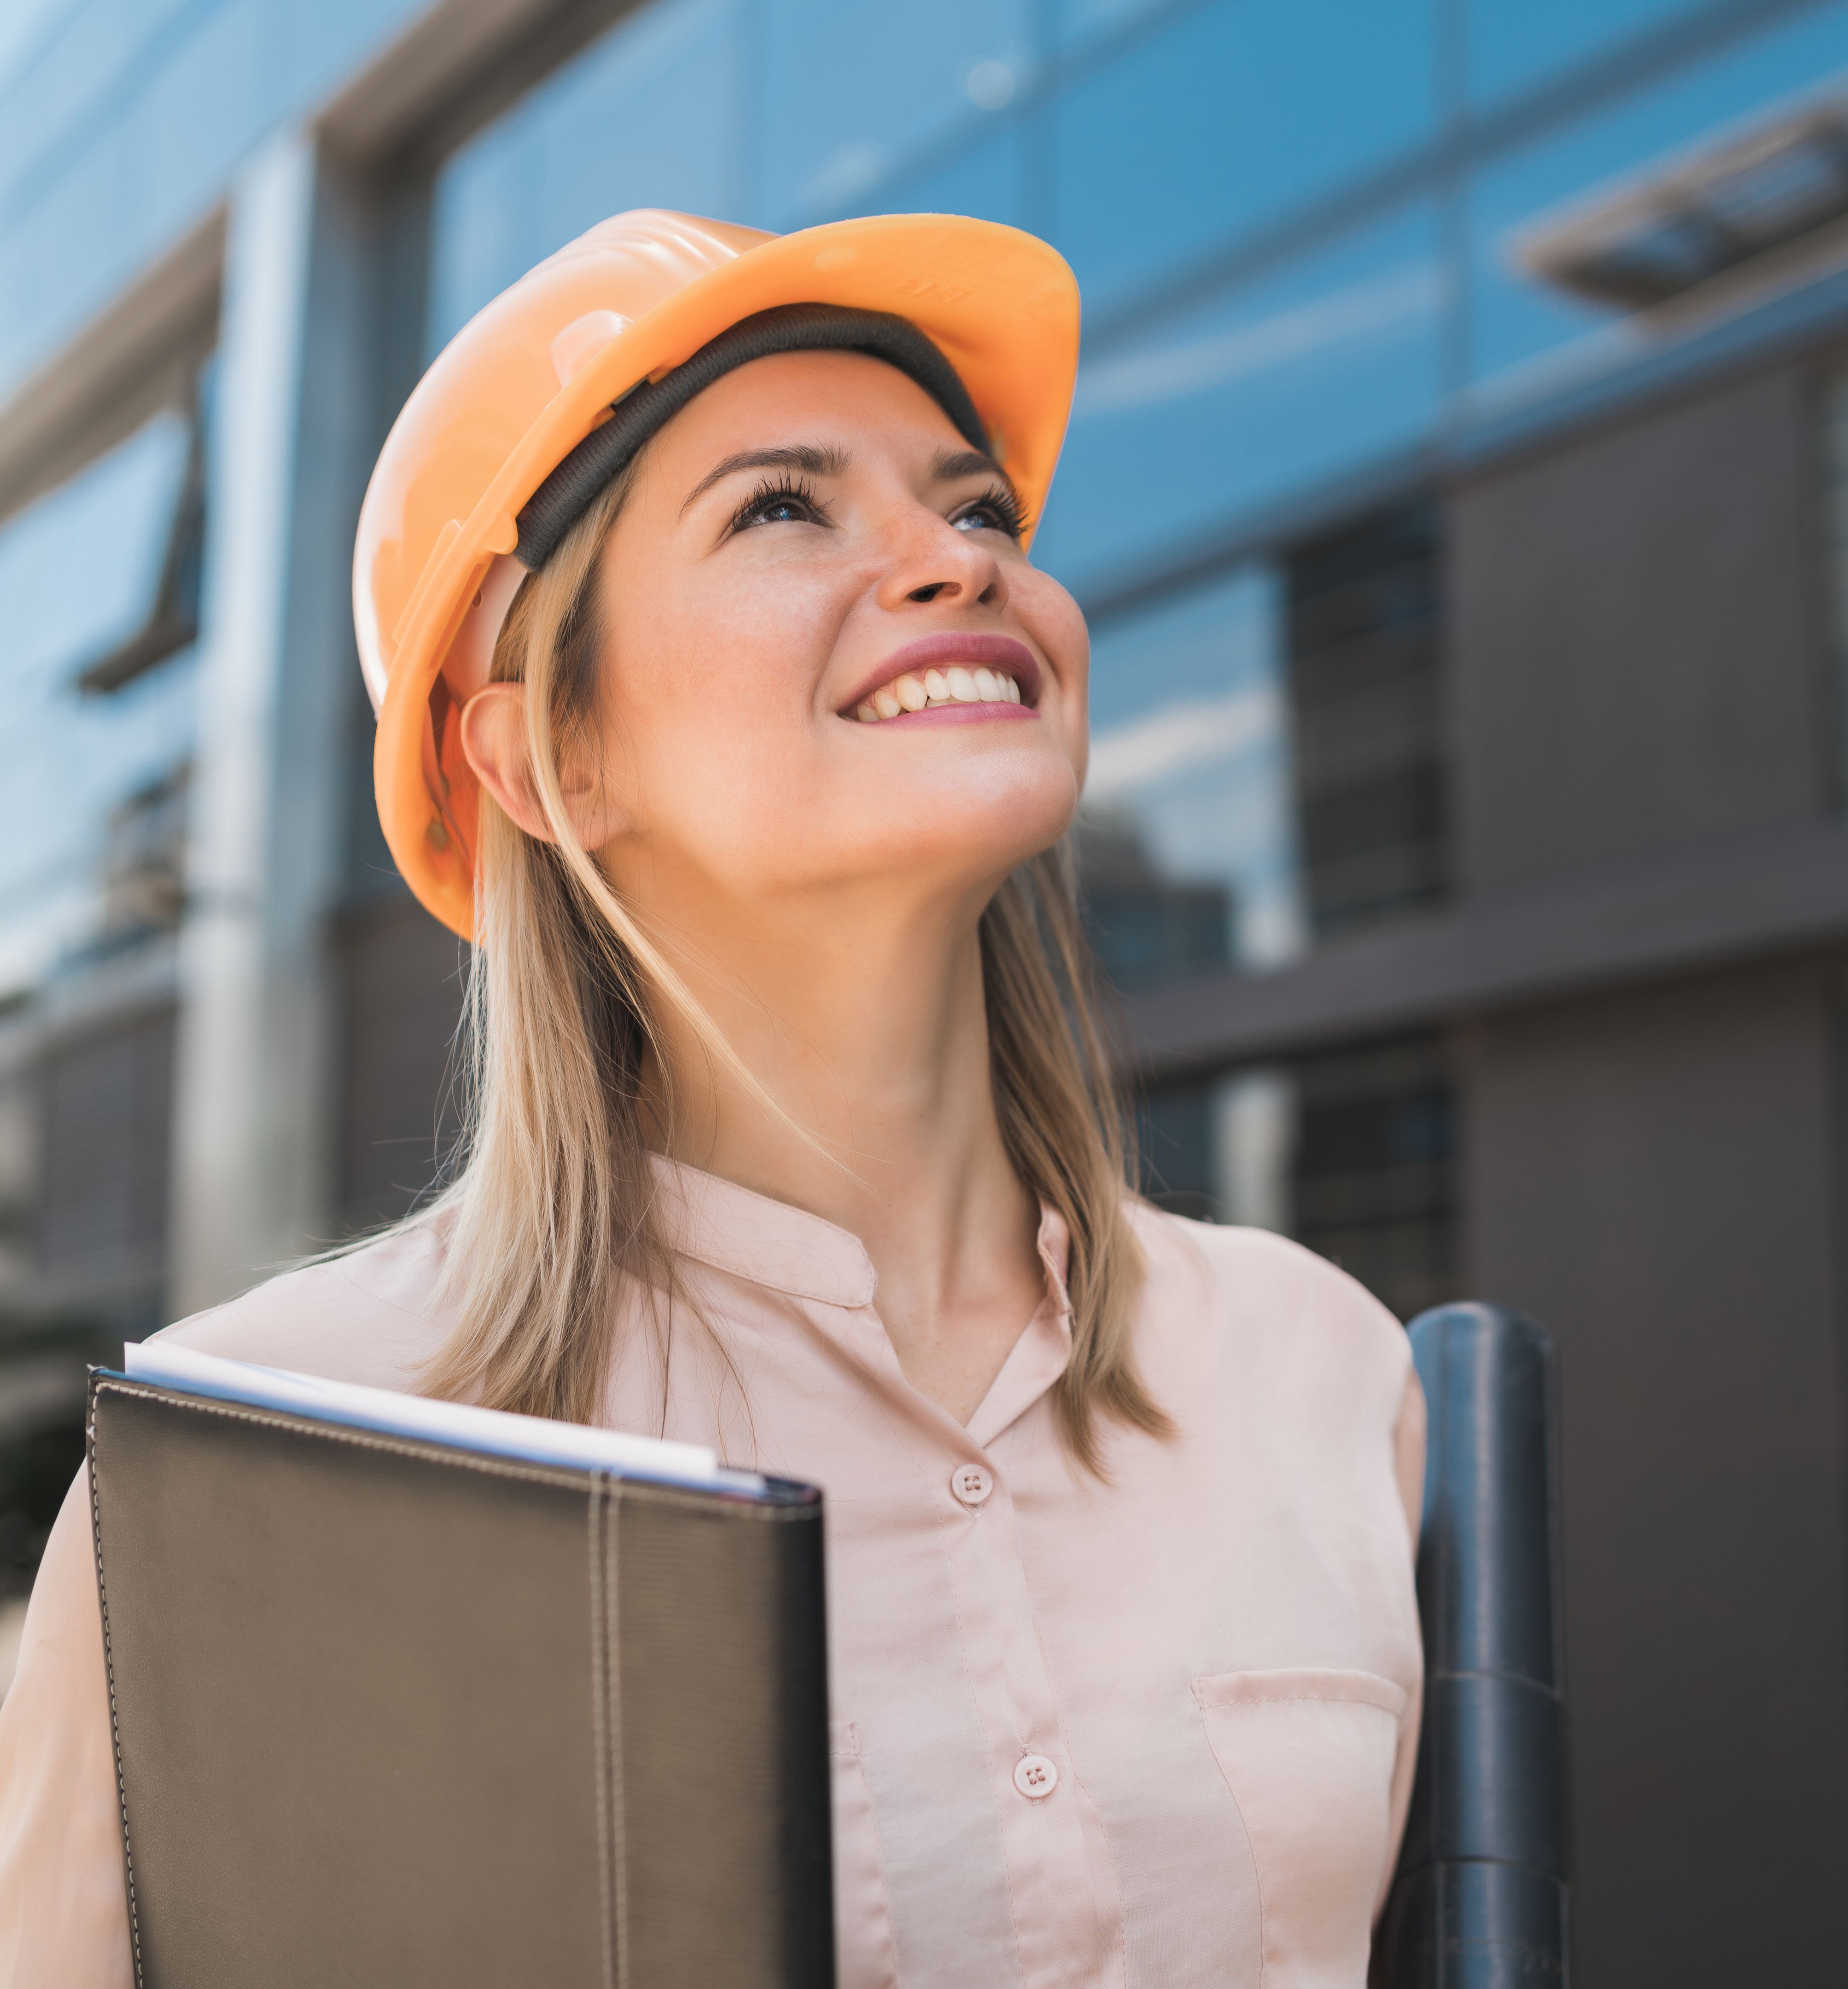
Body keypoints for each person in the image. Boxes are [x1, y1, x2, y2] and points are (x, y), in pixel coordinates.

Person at [0, 210, 1425, 1989]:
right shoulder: (253, 1454)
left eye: (976, 507)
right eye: (784, 507)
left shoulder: (1324, 1367)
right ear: (550, 760)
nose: (958, 561)